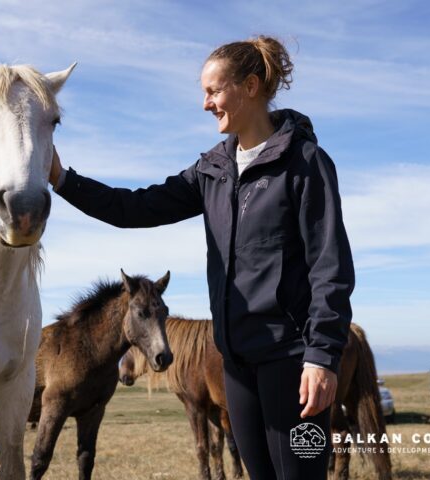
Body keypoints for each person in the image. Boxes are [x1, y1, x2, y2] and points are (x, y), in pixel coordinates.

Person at [49, 36, 354, 479]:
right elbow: (136, 207)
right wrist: (62, 179)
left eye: (214, 91)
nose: (205, 103)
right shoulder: (212, 170)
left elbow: (331, 267)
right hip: (235, 360)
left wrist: (322, 357)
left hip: (290, 360)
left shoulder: (305, 163)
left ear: (250, 86)